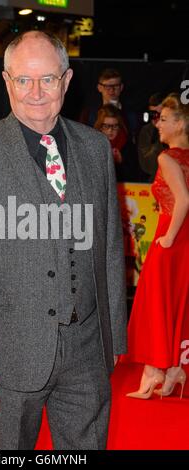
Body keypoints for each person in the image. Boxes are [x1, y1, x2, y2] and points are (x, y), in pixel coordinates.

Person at [0, 31, 127, 450]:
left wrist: (112, 337)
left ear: (67, 79)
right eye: (24, 80)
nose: (36, 92)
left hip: (87, 354)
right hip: (9, 356)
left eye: (47, 79)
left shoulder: (96, 148)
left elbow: (111, 248)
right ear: (7, 81)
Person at [125, 93, 189, 399]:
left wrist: (169, 238)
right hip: (183, 238)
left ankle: (153, 372)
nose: (157, 125)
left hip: (172, 236)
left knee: (155, 302)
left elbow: (184, 200)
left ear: (181, 123)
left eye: (163, 119)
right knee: (176, 304)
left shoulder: (168, 157)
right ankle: (174, 369)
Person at [94, 104, 138, 182]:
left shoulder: (128, 145)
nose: (110, 130)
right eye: (106, 126)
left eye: (114, 126)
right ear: (100, 127)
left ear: (120, 127)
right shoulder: (92, 145)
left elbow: (135, 177)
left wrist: (120, 161)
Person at [137, 92, 166, 182]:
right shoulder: (146, 131)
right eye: (153, 114)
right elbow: (147, 166)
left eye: (160, 114)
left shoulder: (177, 129)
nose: (156, 118)